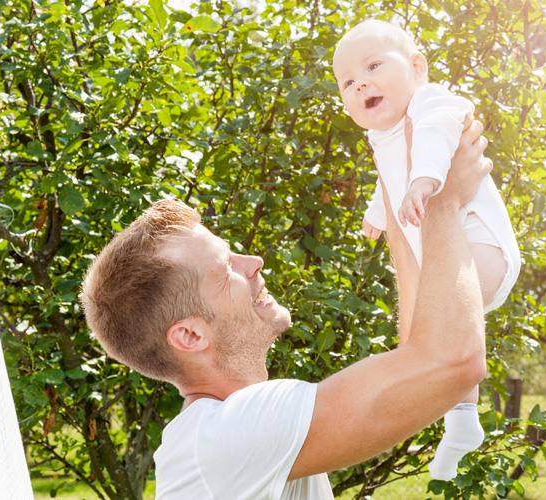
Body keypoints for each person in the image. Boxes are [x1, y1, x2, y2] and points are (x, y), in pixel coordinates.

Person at [79, 115, 493, 498]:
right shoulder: (225, 437)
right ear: (190, 335)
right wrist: (443, 201)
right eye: (227, 269)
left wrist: (398, 174)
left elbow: (420, 363)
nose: (254, 262)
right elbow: (453, 362)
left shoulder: (229, 431)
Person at [332, 19, 522, 479]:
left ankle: (456, 416)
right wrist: (378, 215)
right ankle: (461, 421)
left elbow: (440, 133)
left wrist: (426, 179)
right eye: (349, 82)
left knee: (441, 326)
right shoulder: (382, 138)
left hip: (480, 244)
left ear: (418, 68)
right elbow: (391, 182)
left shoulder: (429, 102)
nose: (362, 83)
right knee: (433, 334)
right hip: (445, 259)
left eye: (374, 65)